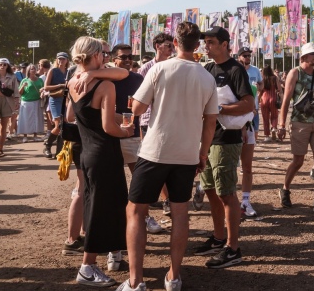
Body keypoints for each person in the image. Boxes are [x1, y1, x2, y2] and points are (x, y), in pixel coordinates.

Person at [121, 22, 218, 291]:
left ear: (175, 43)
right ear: (197, 45)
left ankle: (135, 280)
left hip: (155, 151)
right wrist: (202, 153)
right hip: (187, 153)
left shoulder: (158, 69)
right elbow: (210, 122)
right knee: (180, 212)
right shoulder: (207, 77)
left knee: (136, 211)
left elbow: (138, 108)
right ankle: (174, 276)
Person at [65, 37, 133, 288]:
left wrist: (91, 72)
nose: (105, 58)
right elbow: (109, 127)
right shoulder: (105, 85)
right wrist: (127, 131)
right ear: (93, 55)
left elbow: (75, 115)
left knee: (103, 205)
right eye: (102, 55)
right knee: (100, 209)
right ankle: (87, 265)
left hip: (87, 152)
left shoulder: (72, 81)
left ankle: (108, 256)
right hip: (104, 151)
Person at [194, 26, 253, 269]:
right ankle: (219, 237)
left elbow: (248, 105)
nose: (206, 46)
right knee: (209, 189)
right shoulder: (208, 68)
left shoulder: (235, 69)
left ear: (225, 44)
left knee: (226, 193)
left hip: (226, 139)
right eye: (205, 42)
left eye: (210, 42)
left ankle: (233, 248)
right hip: (208, 139)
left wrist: (220, 109)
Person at [277, 42, 314, 214]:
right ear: (303, 57)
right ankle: (285, 188)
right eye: (313, 54)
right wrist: (281, 124)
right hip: (300, 122)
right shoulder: (295, 73)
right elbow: (286, 99)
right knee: (298, 160)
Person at [136, 32, 176, 225]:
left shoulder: (174, 66)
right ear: (157, 46)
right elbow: (138, 96)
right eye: (168, 45)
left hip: (169, 119)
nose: (171, 48)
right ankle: (163, 198)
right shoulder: (146, 69)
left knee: (169, 158)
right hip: (149, 120)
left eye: (172, 45)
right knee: (153, 159)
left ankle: (167, 198)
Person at [237, 47, 261, 219]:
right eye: (244, 56)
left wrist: (250, 116)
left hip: (249, 123)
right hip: (228, 127)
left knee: (247, 166)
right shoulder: (231, 76)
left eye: (248, 56)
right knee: (226, 167)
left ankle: (245, 201)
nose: (247, 58)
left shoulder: (253, 74)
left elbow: (252, 103)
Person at [0, 58, 20, 159]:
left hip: (7, 102)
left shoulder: (12, 77)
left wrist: (17, 102)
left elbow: (16, 91)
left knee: (3, 127)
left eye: (5, 65)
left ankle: (1, 149)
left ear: (8, 66)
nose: (2, 66)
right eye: (0, 64)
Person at [43, 52, 70, 159]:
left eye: (63, 59)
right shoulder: (53, 71)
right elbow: (46, 87)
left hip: (66, 100)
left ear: (67, 60)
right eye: (59, 59)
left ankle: (59, 151)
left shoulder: (69, 72)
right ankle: (48, 145)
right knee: (58, 125)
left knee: (64, 126)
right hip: (55, 99)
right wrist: (59, 85)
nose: (61, 61)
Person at [17, 64, 44, 142]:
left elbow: (43, 88)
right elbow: (20, 92)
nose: (34, 70)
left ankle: (35, 135)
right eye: (32, 69)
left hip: (37, 101)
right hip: (26, 102)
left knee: (36, 118)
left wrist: (42, 91)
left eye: (34, 69)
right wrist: (22, 86)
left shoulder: (40, 80)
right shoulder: (24, 80)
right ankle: (25, 136)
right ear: (28, 71)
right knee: (26, 119)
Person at [259, 65, 280, 141]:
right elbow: (279, 89)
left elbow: (260, 90)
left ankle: (267, 136)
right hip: (273, 98)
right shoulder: (275, 78)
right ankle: (274, 128)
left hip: (264, 99)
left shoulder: (262, 79)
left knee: (265, 118)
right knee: (275, 115)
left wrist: (258, 99)